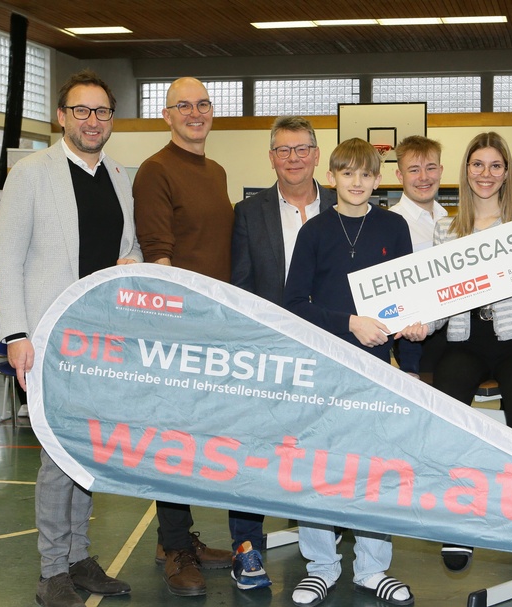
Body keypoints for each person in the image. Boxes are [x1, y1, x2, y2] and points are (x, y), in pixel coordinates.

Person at [0, 69, 137, 607]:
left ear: (111, 119)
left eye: (101, 111)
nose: (92, 120)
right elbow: (7, 259)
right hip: (49, 340)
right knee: (58, 457)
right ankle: (52, 571)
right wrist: (16, 333)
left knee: (86, 453)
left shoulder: (119, 175)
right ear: (62, 117)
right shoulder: (31, 173)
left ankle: (79, 557)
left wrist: (132, 261)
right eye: (81, 110)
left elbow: (128, 247)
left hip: (101, 340)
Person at [400, 132, 512, 577]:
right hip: (465, 342)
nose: (486, 174)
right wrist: (422, 324)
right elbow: (440, 300)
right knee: (450, 410)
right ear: (467, 170)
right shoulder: (447, 229)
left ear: (506, 172)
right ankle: (459, 522)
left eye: (495, 165)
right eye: (478, 165)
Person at [283, 138, 415, 607]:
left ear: (379, 180)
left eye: (366, 174)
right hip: (325, 366)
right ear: (331, 177)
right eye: (347, 173)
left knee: (375, 468)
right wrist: (350, 323)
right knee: (319, 466)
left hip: (377, 369)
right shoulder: (314, 231)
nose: (357, 182)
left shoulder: (395, 226)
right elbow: (294, 305)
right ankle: (320, 566)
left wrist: (409, 350)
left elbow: (408, 297)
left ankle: (372, 568)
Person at [133, 76, 234, 597]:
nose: (196, 113)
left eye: (203, 104)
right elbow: (159, 258)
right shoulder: (155, 170)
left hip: (215, 328)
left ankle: (174, 537)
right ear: (167, 115)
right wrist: (182, 327)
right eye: (184, 106)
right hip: (177, 331)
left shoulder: (215, 171)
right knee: (172, 439)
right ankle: (175, 548)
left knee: (195, 440)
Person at [229, 115, 335, 590]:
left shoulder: (343, 203)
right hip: (269, 352)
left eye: (302, 148)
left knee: (326, 452)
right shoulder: (248, 213)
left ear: (316, 154)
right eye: (283, 150)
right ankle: (246, 548)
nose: (293, 158)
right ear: (271, 157)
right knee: (252, 451)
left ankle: (327, 547)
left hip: (333, 351)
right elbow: (242, 285)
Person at [388, 135, 447, 376]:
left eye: (430, 168)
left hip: (454, 330)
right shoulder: (390, 224)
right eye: (414, 170)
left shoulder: (453, 221)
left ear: (441, 171)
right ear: (399, 175)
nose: (424, 177)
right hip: (415, 338)